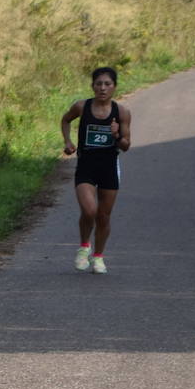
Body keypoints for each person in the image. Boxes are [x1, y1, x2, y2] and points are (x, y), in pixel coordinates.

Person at [60, 66, 131, 274]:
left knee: (103, 216)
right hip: (86, 166)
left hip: (109, 167)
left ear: (114, 87)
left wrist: (117, 135)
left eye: (107, 84)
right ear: (92, 86)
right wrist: (68, 141)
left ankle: (98, 257)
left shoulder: (122, 112)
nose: (102, 88)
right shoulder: (82, 107)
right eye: (98, 84)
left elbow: (126, 146)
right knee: (89, 210)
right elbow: (65, 120)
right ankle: (84, 247)